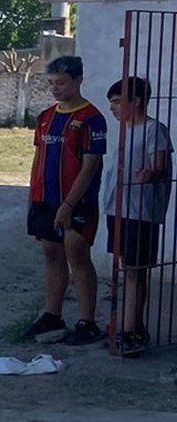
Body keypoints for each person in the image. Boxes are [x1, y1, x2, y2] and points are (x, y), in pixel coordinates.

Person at [23, 56, 108, 345]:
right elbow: (38, 156)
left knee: (77, 253)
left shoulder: (92, 118)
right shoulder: (46, 116)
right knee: (51, 253)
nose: (55, 88)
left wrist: (69, 204)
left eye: (61, 82)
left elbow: (91, 164)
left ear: (78, 80)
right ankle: (52, 315)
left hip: (77, 201)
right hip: (44, 198)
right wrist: (31, 194)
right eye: (51, 83)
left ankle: (87, 322)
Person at [102, 77, 173, 356]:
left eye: (118, 102)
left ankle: (130, 333)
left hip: (140, 211)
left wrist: (150, 174)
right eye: (111, 104)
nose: (114, 109)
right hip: (116, 208)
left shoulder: (155, 130)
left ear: (138, 102)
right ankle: (132, 327)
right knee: (125, 268)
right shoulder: (122, 130)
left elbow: (161, 166)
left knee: (135, 271)